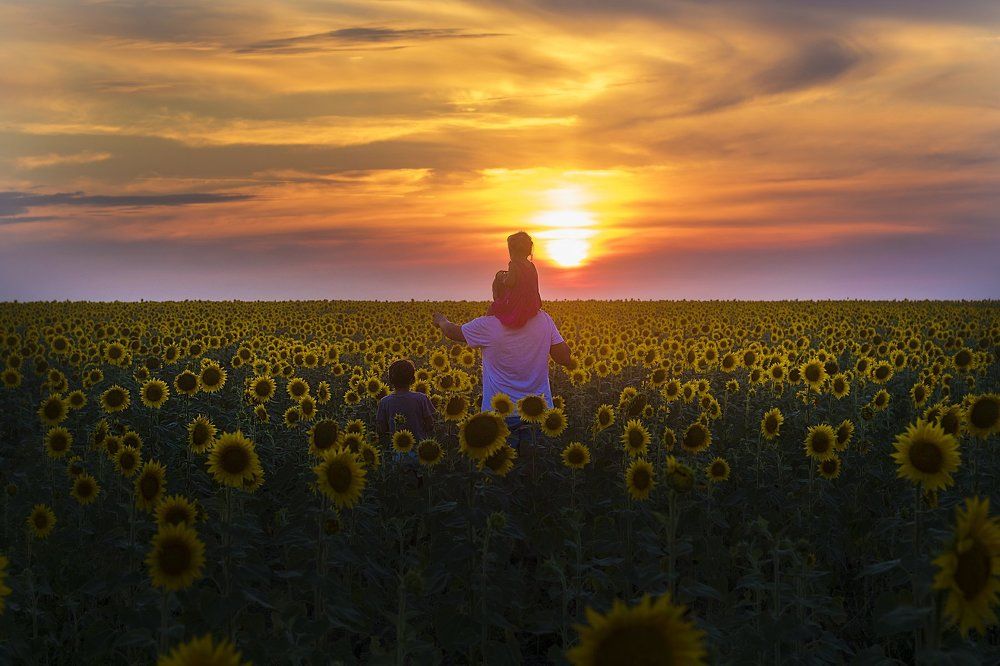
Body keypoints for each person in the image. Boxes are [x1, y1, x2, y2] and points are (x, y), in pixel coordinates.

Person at [432, 274, 571, 450]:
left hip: (500, 414)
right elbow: (564, 358)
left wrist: (442, 321)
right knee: (536, 463)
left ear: (497, 294)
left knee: (502, 466)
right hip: (539, 411)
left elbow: (452, 332)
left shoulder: (487, 326)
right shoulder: (543, 320)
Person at [375, 359, 435, 453]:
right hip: (421, 451)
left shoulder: (384, 402)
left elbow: (382, 429)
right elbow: (430, 424)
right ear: (413, 379)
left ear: (390, 380)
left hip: (398, 452)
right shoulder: (422, 398)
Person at [486, 231, 542, 329]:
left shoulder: (514, 265)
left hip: (518, 304)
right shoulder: (531, 266)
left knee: (494, 307)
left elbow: (510, 282)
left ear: (513, 251)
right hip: (533, 304)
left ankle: (486, 325)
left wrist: (503, 278)